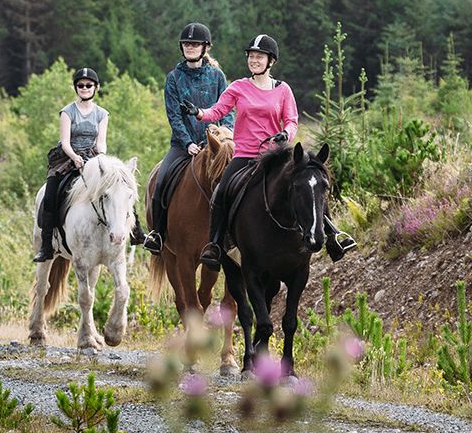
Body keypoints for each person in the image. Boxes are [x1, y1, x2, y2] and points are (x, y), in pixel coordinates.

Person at [182, 34, 357, 271]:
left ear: (271, 61)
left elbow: (292, 120)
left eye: (259, 57)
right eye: (251, 56)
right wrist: (199, 112)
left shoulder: (283, 90)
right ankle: (214, 245)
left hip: (275, 156)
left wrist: (286, 134)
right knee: (221, 192)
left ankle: (333, 235)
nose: (254, 60)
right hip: (244, 154)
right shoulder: (238, 87)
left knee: (308, 185)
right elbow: (218, 111)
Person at [33, 67, 145, 262]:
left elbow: (101, 142)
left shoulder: (102, 114)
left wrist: (99, 158)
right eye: (80, 85)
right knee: (50, 195)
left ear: (96, 87)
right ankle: (46, 246)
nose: (84, 88)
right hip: (67, 158)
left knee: (121, 186)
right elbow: (65, 141)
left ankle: (137, 233)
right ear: (75, 88)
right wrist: (75, 157)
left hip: (93, 158)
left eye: (88, 85)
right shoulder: (67, 112)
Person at [143, 22, 234, 254]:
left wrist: (224, 138)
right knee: (161, 180)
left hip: (216, 147)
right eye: (187, 44)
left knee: (236, 180)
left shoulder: (217, 76)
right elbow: (174, 115)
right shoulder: (174, 78)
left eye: (195, 44)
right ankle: (158, 234)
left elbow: (227, 110)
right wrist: (189, 143)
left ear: (205, 47)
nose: (191, 47)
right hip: (184, 146)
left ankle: (234, 234)